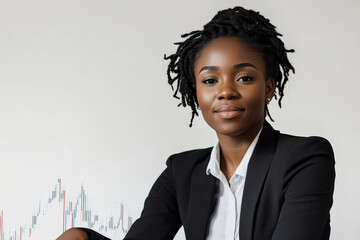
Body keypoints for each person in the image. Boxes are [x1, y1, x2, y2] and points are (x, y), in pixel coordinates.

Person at [57, 6, 335, 240]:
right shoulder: (181, 172)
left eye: (244, 78)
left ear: (269, 87)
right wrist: (82, 236)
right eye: (210, 80)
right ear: (196, 92)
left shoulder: (305, 158)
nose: (225, 91)